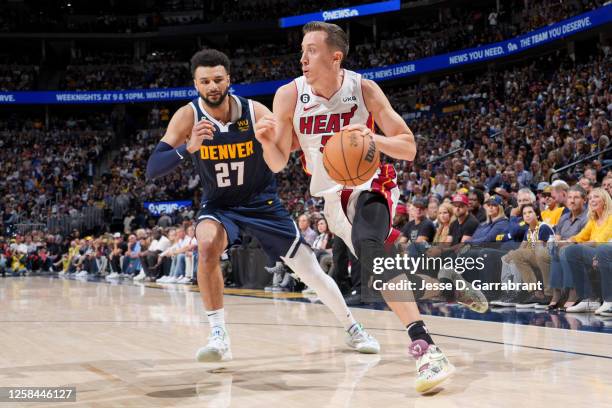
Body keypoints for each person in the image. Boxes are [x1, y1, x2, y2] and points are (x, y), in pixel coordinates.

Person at [270, 21, 483, 393]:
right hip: (331, 198)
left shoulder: (363, 88)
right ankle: (444, 283)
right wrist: (265, 142)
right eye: (302, 50)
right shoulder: (289, 96)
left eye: (311, 50)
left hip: (371, 184)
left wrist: (374, 138)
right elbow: (277, 159)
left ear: (335, 56)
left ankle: (426, 350)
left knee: (372, 248)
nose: (302, 58)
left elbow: (409, 146)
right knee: (383, 268)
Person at [146, 49, 379, 364]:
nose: (212, 86)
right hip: (219, 204)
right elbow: (153, 168)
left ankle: (353, 327)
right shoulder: (188, 116)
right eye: (205, 81)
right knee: (207, 245)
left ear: (228, 79)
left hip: (262, 203)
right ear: (196, 84)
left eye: (217, 79)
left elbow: (287, 143)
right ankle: (218, 335)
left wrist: (273, 139)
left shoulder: (254, 111)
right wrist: (188, 149)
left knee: (308, 269)